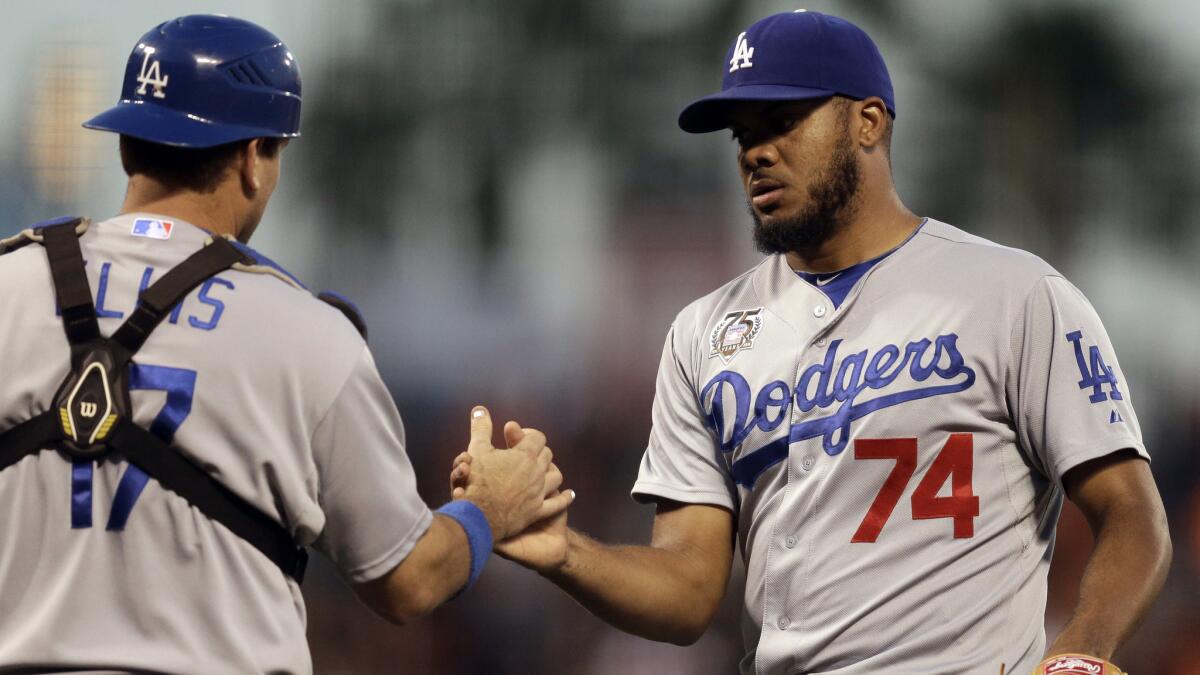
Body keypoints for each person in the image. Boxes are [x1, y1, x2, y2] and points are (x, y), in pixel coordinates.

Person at [452, 10, 1170, 674]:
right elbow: (688, 589)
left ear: (867, 122)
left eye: (783, 120)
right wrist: (564, 552)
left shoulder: (1014, 294)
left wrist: (1080, 646)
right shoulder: (703, 335)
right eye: (743, 133)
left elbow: (1133, 515)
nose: (757, 152)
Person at [0, 15, 571, 674]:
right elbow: (406, 579)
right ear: (252, 160)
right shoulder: (307, 335)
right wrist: (489, 508)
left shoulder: (9, 283)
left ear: (128, 147)